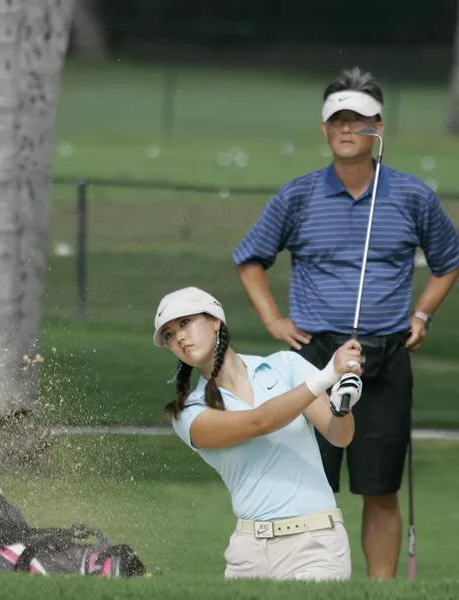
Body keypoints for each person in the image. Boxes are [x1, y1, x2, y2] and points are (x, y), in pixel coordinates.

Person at [233, 67, 459, 580]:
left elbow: (449, 259)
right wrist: (272, 318)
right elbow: (250, 259)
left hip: (385, 355)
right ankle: (308, 582)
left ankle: (379, 592)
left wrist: (422, 313)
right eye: (337, 119)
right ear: (324, 129)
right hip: (315, 358)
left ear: (379, 127)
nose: (347, 128)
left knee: (380, 487)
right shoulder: (298, 196)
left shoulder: (411, 196)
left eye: (358, 118)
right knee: (309, 481)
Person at [154, 286, 363, 581]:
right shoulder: (189, 412)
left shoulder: (285, 366)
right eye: (169, 335)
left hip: (316, 545)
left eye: (185, 323)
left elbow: (340, 436)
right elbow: (258, 423)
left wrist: (343, 406)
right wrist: (327, 376)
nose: (180, 338)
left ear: (215, 320)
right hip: (248, 554)